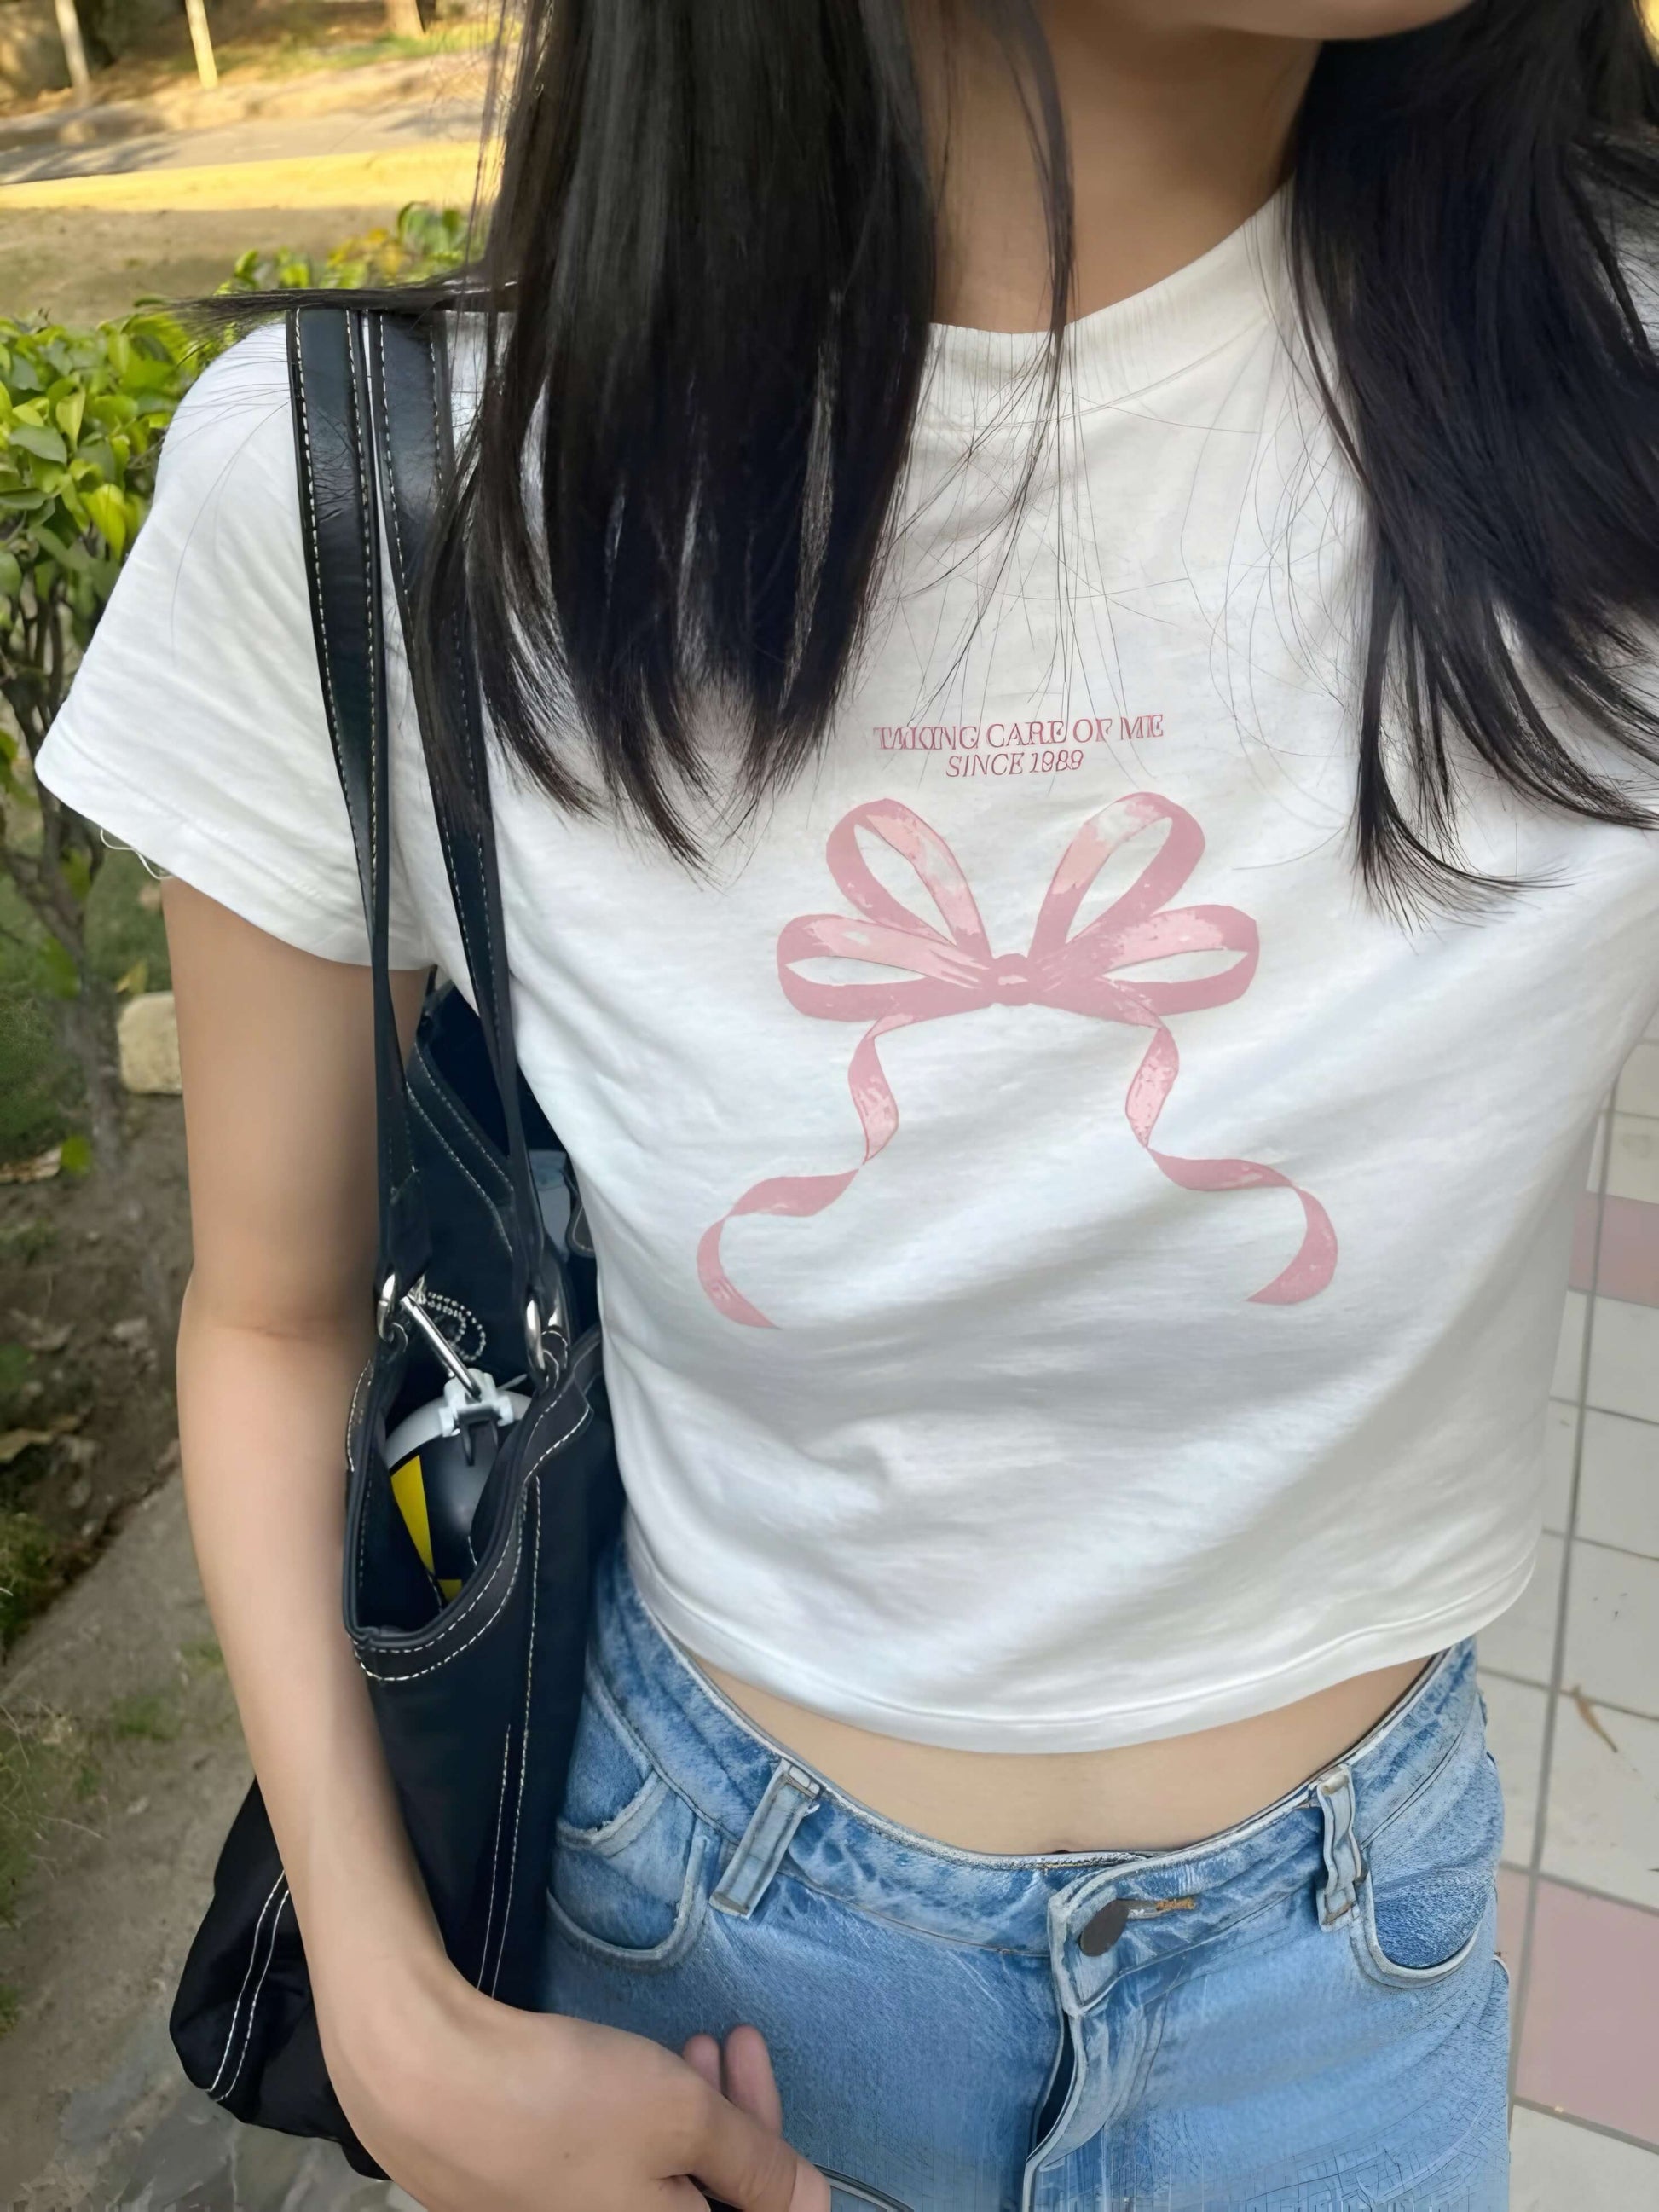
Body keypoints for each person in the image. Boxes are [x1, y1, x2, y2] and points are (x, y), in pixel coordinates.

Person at [36, 0, 1659, 2204]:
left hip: (1351, 1987)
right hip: (700, 1964)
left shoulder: (1612, 415)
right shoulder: (385, 485)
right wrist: (387, 2001)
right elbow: (276, 1316)